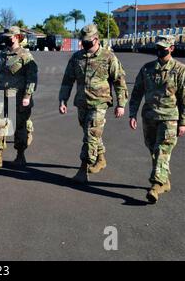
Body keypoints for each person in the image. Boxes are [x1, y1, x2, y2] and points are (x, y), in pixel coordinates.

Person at [59, 24, 128, 183]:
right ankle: (101, 159)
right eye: (83, 41)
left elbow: (119, 81)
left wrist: (121, 104)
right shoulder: (77, 58)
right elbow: (67, 81)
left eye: (88, 41)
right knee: (91, 133)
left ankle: (83, 170)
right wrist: (63, 100)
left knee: (90, 135)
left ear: (96, 39)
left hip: (100, 103)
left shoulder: (108, 57)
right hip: (82, 103)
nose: (84, 44)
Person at [129, 35, 185, 204]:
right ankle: (165, 180)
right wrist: (132, 114)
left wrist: (183, 122)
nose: (160, 51)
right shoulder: (147, 69)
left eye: (164, 47)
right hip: (149, 116)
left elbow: (184, 98)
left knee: (162, 149)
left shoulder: (180, 70)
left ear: (172, 48)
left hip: (170, 118)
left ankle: (156, 185)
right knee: (153, 149)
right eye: (158, 47)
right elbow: (137, 92)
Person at [0, 26, 38, 168]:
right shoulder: (3, 54)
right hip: (0, 95)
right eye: (5, 36)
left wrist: (27, 95)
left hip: (18, 97)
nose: (6, 39)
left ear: (17, 37)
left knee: (19, 127)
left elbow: (32, 78)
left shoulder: (25, 56)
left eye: (9, 36)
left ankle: (20, 155)